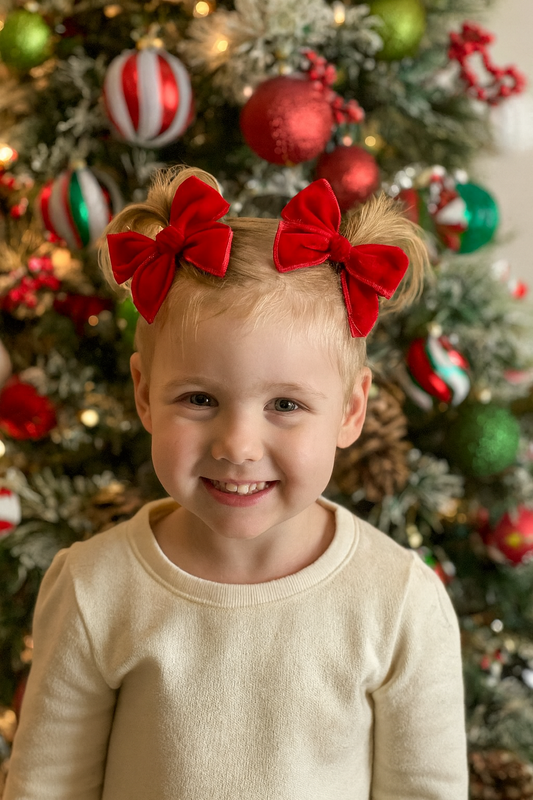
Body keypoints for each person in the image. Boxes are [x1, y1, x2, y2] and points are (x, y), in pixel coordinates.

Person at [4, 167, 469, 800]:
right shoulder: (95, 588)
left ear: (351, 411)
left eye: (285, 405)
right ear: (144, 394)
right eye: (198, 398)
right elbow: (46, 788)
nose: (238, 446)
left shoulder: (398, 603)